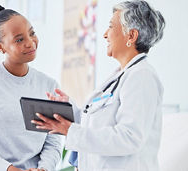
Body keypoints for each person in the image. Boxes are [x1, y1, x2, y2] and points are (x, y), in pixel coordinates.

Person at [32, 0, 165, 170]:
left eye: (111, 27)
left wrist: (70, 131)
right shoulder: (122, 75)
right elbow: (99, 125)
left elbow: (129, 137)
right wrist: (69, 110)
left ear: (131, 36)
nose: (104, 34)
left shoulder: (142, 76)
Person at [0, 5, 63, 171]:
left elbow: (53, 143)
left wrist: (44, 169)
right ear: (0, 47)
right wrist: (10, 170)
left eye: (32, 33)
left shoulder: (49, 85)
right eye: (19, 39)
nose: (30, 42)